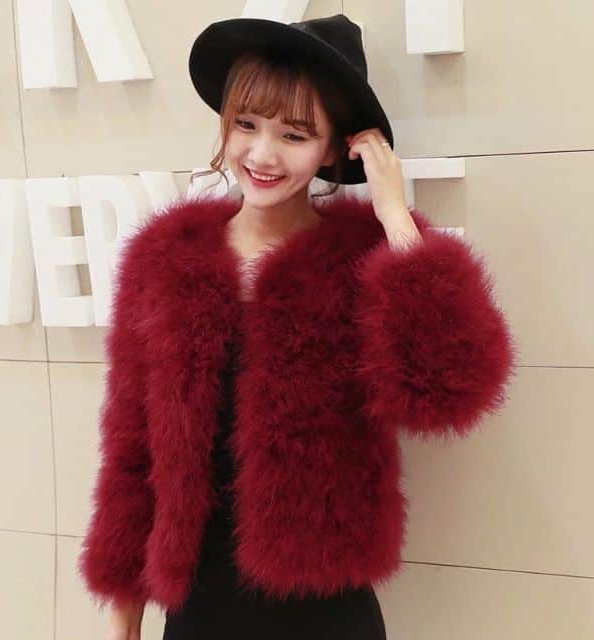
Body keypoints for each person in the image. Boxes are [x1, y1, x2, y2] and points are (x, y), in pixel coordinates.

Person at [78, 14, 517, 640]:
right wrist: (124, 622)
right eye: (246, 125)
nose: (262, 154)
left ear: (336, 148)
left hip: (327, 607)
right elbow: (131, 450)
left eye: (294, 134)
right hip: (198, 607)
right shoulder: (166, 258)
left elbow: (447, 390)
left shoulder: (367, 259)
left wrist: (395, 217)